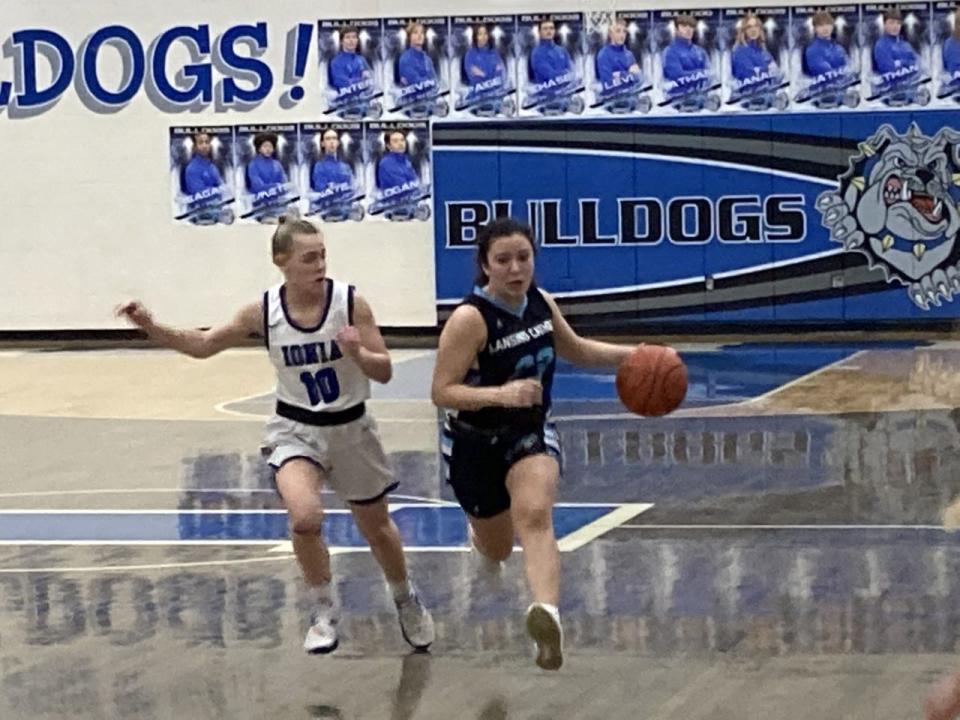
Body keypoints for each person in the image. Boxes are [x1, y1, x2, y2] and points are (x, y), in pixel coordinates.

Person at [116, 217, 435, 656]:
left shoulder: (349, 303)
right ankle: (322, 609)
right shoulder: (262, 312)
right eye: (309, 258)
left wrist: (357, 351)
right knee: (304, 518)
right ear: (281, 262)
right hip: (295, 429)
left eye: (322, 255)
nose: (320, 264)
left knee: (377, 529)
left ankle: (405, 597)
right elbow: (204, 345)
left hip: (351, 428)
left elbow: (384, 371)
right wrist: (151, 326)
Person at [430, 217, 642, 670]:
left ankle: (547, 615)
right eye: (502, 260)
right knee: (498, 547)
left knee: (535, 513)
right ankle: (482, 541)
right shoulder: (470, 319)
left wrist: (637, 355)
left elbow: (578, 349)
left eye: (523, 257)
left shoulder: (540, 303)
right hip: (473, 442)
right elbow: (441, 392)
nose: (514, 268)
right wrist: (499, 395)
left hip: (528, 431)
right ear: (484, 266)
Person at [730, 13, 779, 85]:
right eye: (749, 27)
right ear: (744, 31)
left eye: (756, 26)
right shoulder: (738, 51)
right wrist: (767, 69)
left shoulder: (763, 51)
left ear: (760, 29)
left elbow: (775, 72)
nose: (753, 30)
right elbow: (747, 74)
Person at [662, 14, 710, 83]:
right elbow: (676, 76)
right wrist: (701, 73)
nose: (688, 29)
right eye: (684, 26)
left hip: (702, 93)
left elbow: (710, 74)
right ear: (676, 30)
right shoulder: (670, 51)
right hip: (679, 93)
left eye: (691, 26)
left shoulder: (701, 51)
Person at [872, 8, 919, 77]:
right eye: (892, 23)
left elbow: (917, 64)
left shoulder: (906, 44)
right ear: (884, 25)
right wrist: (907, 63)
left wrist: (900, 62)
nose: (895, 26)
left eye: (898, 23)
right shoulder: (881, 45)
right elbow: (888, 70)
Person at [803, 11, 850, 79]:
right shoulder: (812, 50)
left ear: (832, 26)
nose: (825, 28)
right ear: (815, 28)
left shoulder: (839, 49)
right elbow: (824, 74)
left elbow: (848, 71)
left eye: (828, 24)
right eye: (821, 25)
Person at [596, 18, 641, 85]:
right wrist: (629, 74)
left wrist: (618, 75)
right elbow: (607, 83)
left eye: (624, 31)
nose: (622, 35)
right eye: (618, 31)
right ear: (610, 33)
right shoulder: (603, 55)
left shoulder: (629, 54)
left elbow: (638, 80)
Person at [530, 19, 574, 85]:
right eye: (545, 29)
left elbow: (572, 72)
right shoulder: (537, 53)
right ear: (539, 32)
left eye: (551, 28)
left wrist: (568, 75)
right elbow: (550, 76)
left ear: (554, 31)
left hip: (566, 92)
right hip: (546, 94)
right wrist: (565, 74)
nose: (549, 31)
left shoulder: (562, 50)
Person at [329, 26, 373, 91]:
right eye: (348, 37)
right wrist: (362, 78)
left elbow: (372, 78)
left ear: (357, 40)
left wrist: (369, 75)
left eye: (354, 37)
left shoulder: (361, 59)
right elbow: (340, 82)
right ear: (341, 41)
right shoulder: (336, 61)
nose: (351, 40)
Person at [183, 132, 224, 198]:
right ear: (195, 146)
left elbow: (222, 188)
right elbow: (199, 195)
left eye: (207, 142)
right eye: (200, 142)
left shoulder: (212, 167)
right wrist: (217, 190)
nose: (204, 146)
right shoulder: (192, 169)